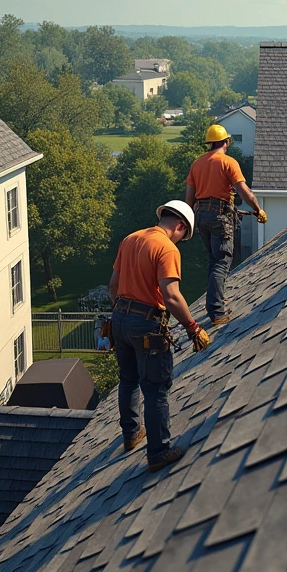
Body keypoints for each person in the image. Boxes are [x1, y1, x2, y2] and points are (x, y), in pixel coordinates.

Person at [109, 200, 210, 472]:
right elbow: (172, 296)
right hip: (146, 324)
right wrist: (193, 327)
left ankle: (131, 435)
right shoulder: (166, 248)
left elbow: (113, 286)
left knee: (128, 380)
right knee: (155, 389)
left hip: (120, 319)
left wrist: (122, 315)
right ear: (179, 226)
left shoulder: (130, 239)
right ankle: (158, 452)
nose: (180, 240)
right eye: (183, 236)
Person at [185, 124, 267, 326]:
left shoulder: (197, 164)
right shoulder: (228, 162)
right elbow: (243, 191)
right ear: (226, 142)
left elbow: (189, 198)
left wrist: (189, 220)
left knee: (214, 261)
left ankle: (215, 299)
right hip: (220, 217)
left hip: (201, 216)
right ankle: (217, 312)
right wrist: (258, 209)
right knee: (222, 262)